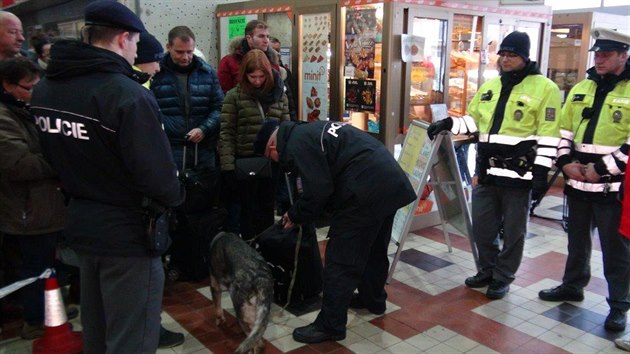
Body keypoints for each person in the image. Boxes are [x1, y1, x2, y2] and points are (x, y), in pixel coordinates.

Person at [29, 1, 184, 352]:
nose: (135, 51)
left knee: (97, 333)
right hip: (128, 233)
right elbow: (158, 177)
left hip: (81, 223)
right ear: (123, 39)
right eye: (134, 43)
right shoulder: (126, 95)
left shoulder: (47, 89)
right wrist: (174, 196)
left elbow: (49, 156)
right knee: (131, 338)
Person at [428, 31, 562, 300]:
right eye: (502, 54)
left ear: (525, 57)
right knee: (482, 227)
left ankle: (503, 277)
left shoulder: (545, 88)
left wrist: (540, 175)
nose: (505, 59)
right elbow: (475, 121)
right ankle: (487, 269)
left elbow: (549, 134)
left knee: (514, 232)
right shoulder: (491, 86)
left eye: (512, 55)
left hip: (519, 175)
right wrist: (449, 124)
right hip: (488, 173)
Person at [257, 120, 415, 344]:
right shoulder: (305, 131)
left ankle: (330, 325)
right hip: (389, 180)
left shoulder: (296, 144)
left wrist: (294, 215)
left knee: (340, 258)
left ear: (272, 146)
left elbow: (318, 191)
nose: (274, 161)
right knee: (374, 249)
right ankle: (374, 299)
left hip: (364, 189)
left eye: (268, 156)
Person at [538, 27, 630, 332]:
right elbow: (563, 131)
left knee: (615, 251)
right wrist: (565, 162)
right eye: (597, 54)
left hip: (611, 187)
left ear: (623, 56)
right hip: (578, 184)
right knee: (577, 242)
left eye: (606, 55)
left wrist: (602, 169)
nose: (600, 59)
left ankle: (619, 306)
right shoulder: (582, 88)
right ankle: (572, 285)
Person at [0, 57, 63, 340]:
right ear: (8, 86)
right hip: (27, 209)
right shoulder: (4, 117)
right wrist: (62, 159)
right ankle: (35, 320)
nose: (35, 92)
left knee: (49, 265)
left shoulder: (27, 108)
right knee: (35, 269)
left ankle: (51, 313)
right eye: (28, 87)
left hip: (45, 205)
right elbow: (19, 165)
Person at [133, 30, 185, 349]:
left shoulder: (140, 87)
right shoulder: (133, 93)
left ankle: (149, 327)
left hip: (141, 201)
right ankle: (149, 332)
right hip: (141, 205)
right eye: (154, 62)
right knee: (145, 277)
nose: (157, 68)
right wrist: (170, 191)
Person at [219, 48, 290, 240]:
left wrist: (285, 159)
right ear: (245, 75)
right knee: (246, 211)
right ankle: (248, 248)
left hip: (271, 161)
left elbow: (286, 129)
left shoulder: (279, 95)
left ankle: (265, 249)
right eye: (252, 76)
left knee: (267, 209)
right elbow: (226, 132)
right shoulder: (234, 96)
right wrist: (227, 167)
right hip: (244, 161)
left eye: (261, 76)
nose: (257, 81)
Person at [151, 25, 223, 177]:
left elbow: (219, 107)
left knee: (203, 195)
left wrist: (204, 128)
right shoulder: (155, 73)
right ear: (168, 47)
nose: (185, 57)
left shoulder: (208, 73)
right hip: (170, 148)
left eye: (189, 52)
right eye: (179, 52)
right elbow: (150, 111)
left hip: (202, 149)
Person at [218, 19, 278, 93]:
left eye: (268, 36)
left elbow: (280, 89)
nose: (266, 41)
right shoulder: (229, 62)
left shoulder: (272, 60)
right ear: (249, 38)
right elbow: (224, 93)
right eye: (261, 36)